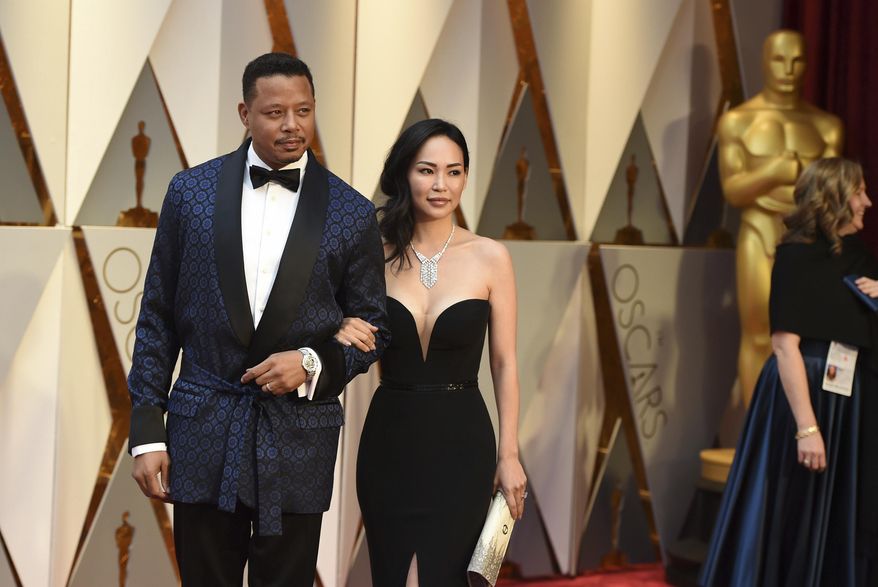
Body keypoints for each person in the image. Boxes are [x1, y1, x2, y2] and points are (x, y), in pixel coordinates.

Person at [126, 53, 389, 587]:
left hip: (296, 435)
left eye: (304, 110)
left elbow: (373, 327)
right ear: (245, 113)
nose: (292, 125)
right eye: (275, 113)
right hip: (203, 427)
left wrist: (313, 362)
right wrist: (147, 433)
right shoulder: (190, 194)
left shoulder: (351, 211)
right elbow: (157, 316)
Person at [335, 119, 528, 585]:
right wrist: (338, 326)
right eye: (427, 170)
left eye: (454, 171)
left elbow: (503, 363)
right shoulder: (371, 256)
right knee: (393, 573)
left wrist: (509, 453)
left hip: (462, 444)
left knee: (447, 574)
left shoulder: (490, 257)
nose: (441, 184)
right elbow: (331, 329)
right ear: (404, 174)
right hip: (390, 443)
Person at [700, 157, 878, 586]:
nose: (867, 202)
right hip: (806, 398)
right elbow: (784, 345)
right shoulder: (796, 258)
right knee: (792, 512)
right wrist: (807, 428)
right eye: (858, 192)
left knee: (847, 512)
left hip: (854, 399)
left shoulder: (862, 256)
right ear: (834, 198)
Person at [717, 29, 843, 406]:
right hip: (760, 229)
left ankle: (800, 428)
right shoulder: (738, 121)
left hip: (811, 240)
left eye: (797, 60)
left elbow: (837, 194)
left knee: (810, 335)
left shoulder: (826, 126)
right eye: (778, 59)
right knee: (757, 332)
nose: (788, 69)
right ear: (764, 61)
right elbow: (733, 190)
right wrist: (773, 171)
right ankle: (754, 433)